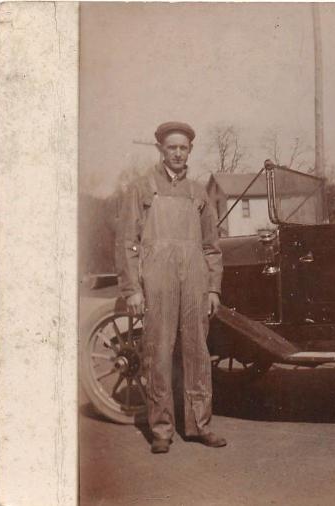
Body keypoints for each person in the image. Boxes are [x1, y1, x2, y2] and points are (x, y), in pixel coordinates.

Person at [117, 121, 226, 454]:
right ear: (160, 150)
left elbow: (211, 246)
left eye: (183, 148)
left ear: (189, 151)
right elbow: (126, 242)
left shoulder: (198, 192)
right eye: (171, 147)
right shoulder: (141, 188)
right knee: (158, 351)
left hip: (194, 279)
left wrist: (213, 289)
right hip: (157, 279)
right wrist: (132, 288)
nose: (177, 153)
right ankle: (161, 429)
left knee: (197, 351)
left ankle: (199, 425)